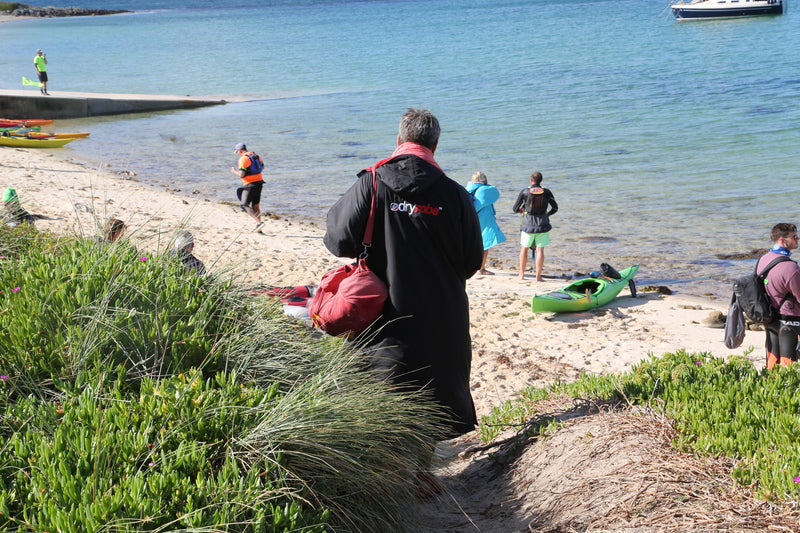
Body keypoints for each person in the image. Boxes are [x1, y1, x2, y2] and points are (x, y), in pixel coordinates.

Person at [323, 107, 484, 438]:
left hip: (381, 315)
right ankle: (421, 473)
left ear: (398, 140)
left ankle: (391, 474)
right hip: (440, 316)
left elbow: (338, 240)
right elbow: (471, 262)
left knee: (380, 391)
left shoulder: (371, 183)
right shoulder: (455, 195)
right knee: (433, 392)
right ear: (434, 147)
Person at [758, 223, 800, 370]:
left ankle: (769, 389)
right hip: (791, 322)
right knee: (789, 366)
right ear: (783, 240)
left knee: (772, 362)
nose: (798, 239)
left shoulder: (763, 259)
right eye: (794, 237)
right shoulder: (791, 267)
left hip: (770, 318)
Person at [512, 171, 558, 281]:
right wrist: (547, 214)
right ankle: (538, 276)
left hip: (528, 224)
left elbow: (515, 208)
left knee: (524, 249)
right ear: (540, 181)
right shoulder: (547, 192)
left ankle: (521, 274)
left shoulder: (525, 191)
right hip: (543, 224)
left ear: (531, 180)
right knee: (540, 250)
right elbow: (555, 208)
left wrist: (521, 210)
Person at [465, 171, 506, 275]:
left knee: (472, 243)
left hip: (472, 218)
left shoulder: (467, 189)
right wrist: (486, 184)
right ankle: (481, 268)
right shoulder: (484, 190)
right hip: (483, 219)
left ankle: (469, 265)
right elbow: (496, 192)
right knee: (485, 243)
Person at [230, 143, 265, 233]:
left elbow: (242, 174)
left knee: (244, 205)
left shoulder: (243, 159)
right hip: (259, 182)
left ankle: (259, 222)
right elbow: (263, 167)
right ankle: (259, 227)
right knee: (255, 205)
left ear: (240, 151)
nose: (237, 153)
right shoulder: (256, 155)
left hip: (249, 184)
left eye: (237, 152)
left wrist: (234, 171)